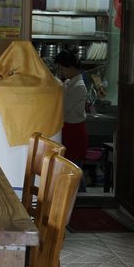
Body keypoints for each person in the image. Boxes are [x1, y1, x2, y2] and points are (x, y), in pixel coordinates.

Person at [54, 49, 89, 190]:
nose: (61, 72)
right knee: (68, 170)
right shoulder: (69, 83)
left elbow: (63, 108)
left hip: (75, 132)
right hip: (67, 130)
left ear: (71, 67)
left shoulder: (79, 87)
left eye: (62, 68)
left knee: (74, 171)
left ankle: (82, 201)